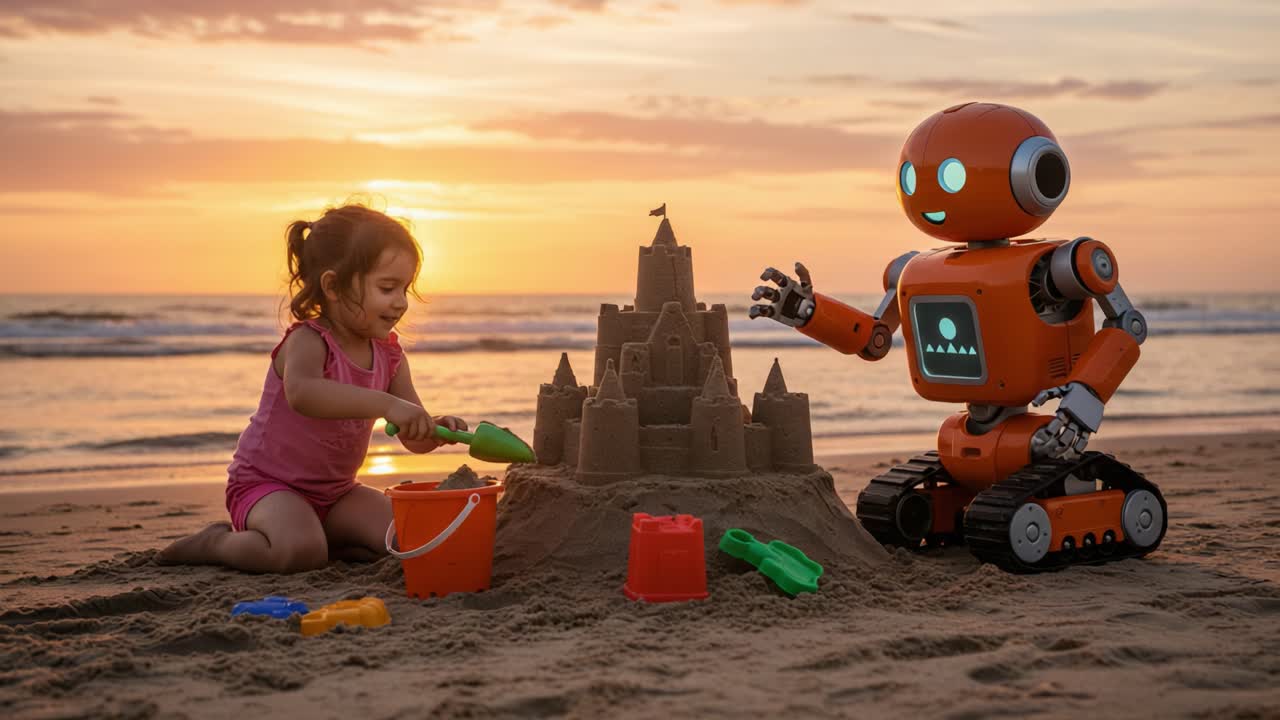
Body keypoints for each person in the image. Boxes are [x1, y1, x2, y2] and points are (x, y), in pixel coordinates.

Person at [158, 204, 466, 573]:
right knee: (299, 554)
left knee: (412, 538)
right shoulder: (308, 340)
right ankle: (217, 543)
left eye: (405, 289)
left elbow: (413, 438)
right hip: (267, 486)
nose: (400, 302)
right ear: (334, 286)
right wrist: (387, 405)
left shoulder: (390, 354)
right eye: (387, 288)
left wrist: (435, 428)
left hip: (337, 493)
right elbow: (304, 394)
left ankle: (331, 537)